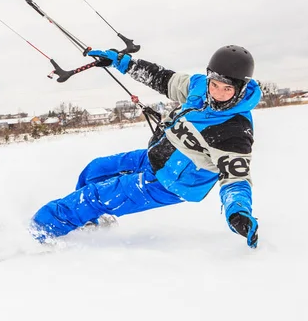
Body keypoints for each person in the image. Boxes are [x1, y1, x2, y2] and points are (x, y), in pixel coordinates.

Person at [30, 45, 260, 248]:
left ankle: (35, 233)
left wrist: (238, 211)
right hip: (156, 157)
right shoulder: (199, 87)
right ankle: (88, 222)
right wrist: (120, 61)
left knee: (94, 196)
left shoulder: (235, 131)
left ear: (240, 88)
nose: (218, 94)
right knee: (95, 170)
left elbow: (236, 179)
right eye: (215, 85)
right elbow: (161, 78)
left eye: (227, 89)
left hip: (172, 183)